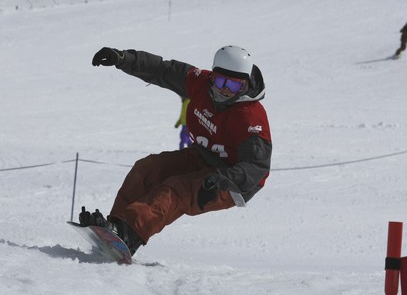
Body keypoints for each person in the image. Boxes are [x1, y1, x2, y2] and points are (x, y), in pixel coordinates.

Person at [80, 45, 272, 256]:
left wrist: (223, 179)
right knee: (148, 168)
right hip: (204, 156)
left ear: (245, 84)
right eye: (220, 81)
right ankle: (115, 228)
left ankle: (131, 234)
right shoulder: (200, 83)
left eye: (234, 86)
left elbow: (257, 167)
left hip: (233, 181)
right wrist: (123, 58)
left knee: (176, 189)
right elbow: (163, 70)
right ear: (212, 77)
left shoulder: (249, 117)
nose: (225, 90)